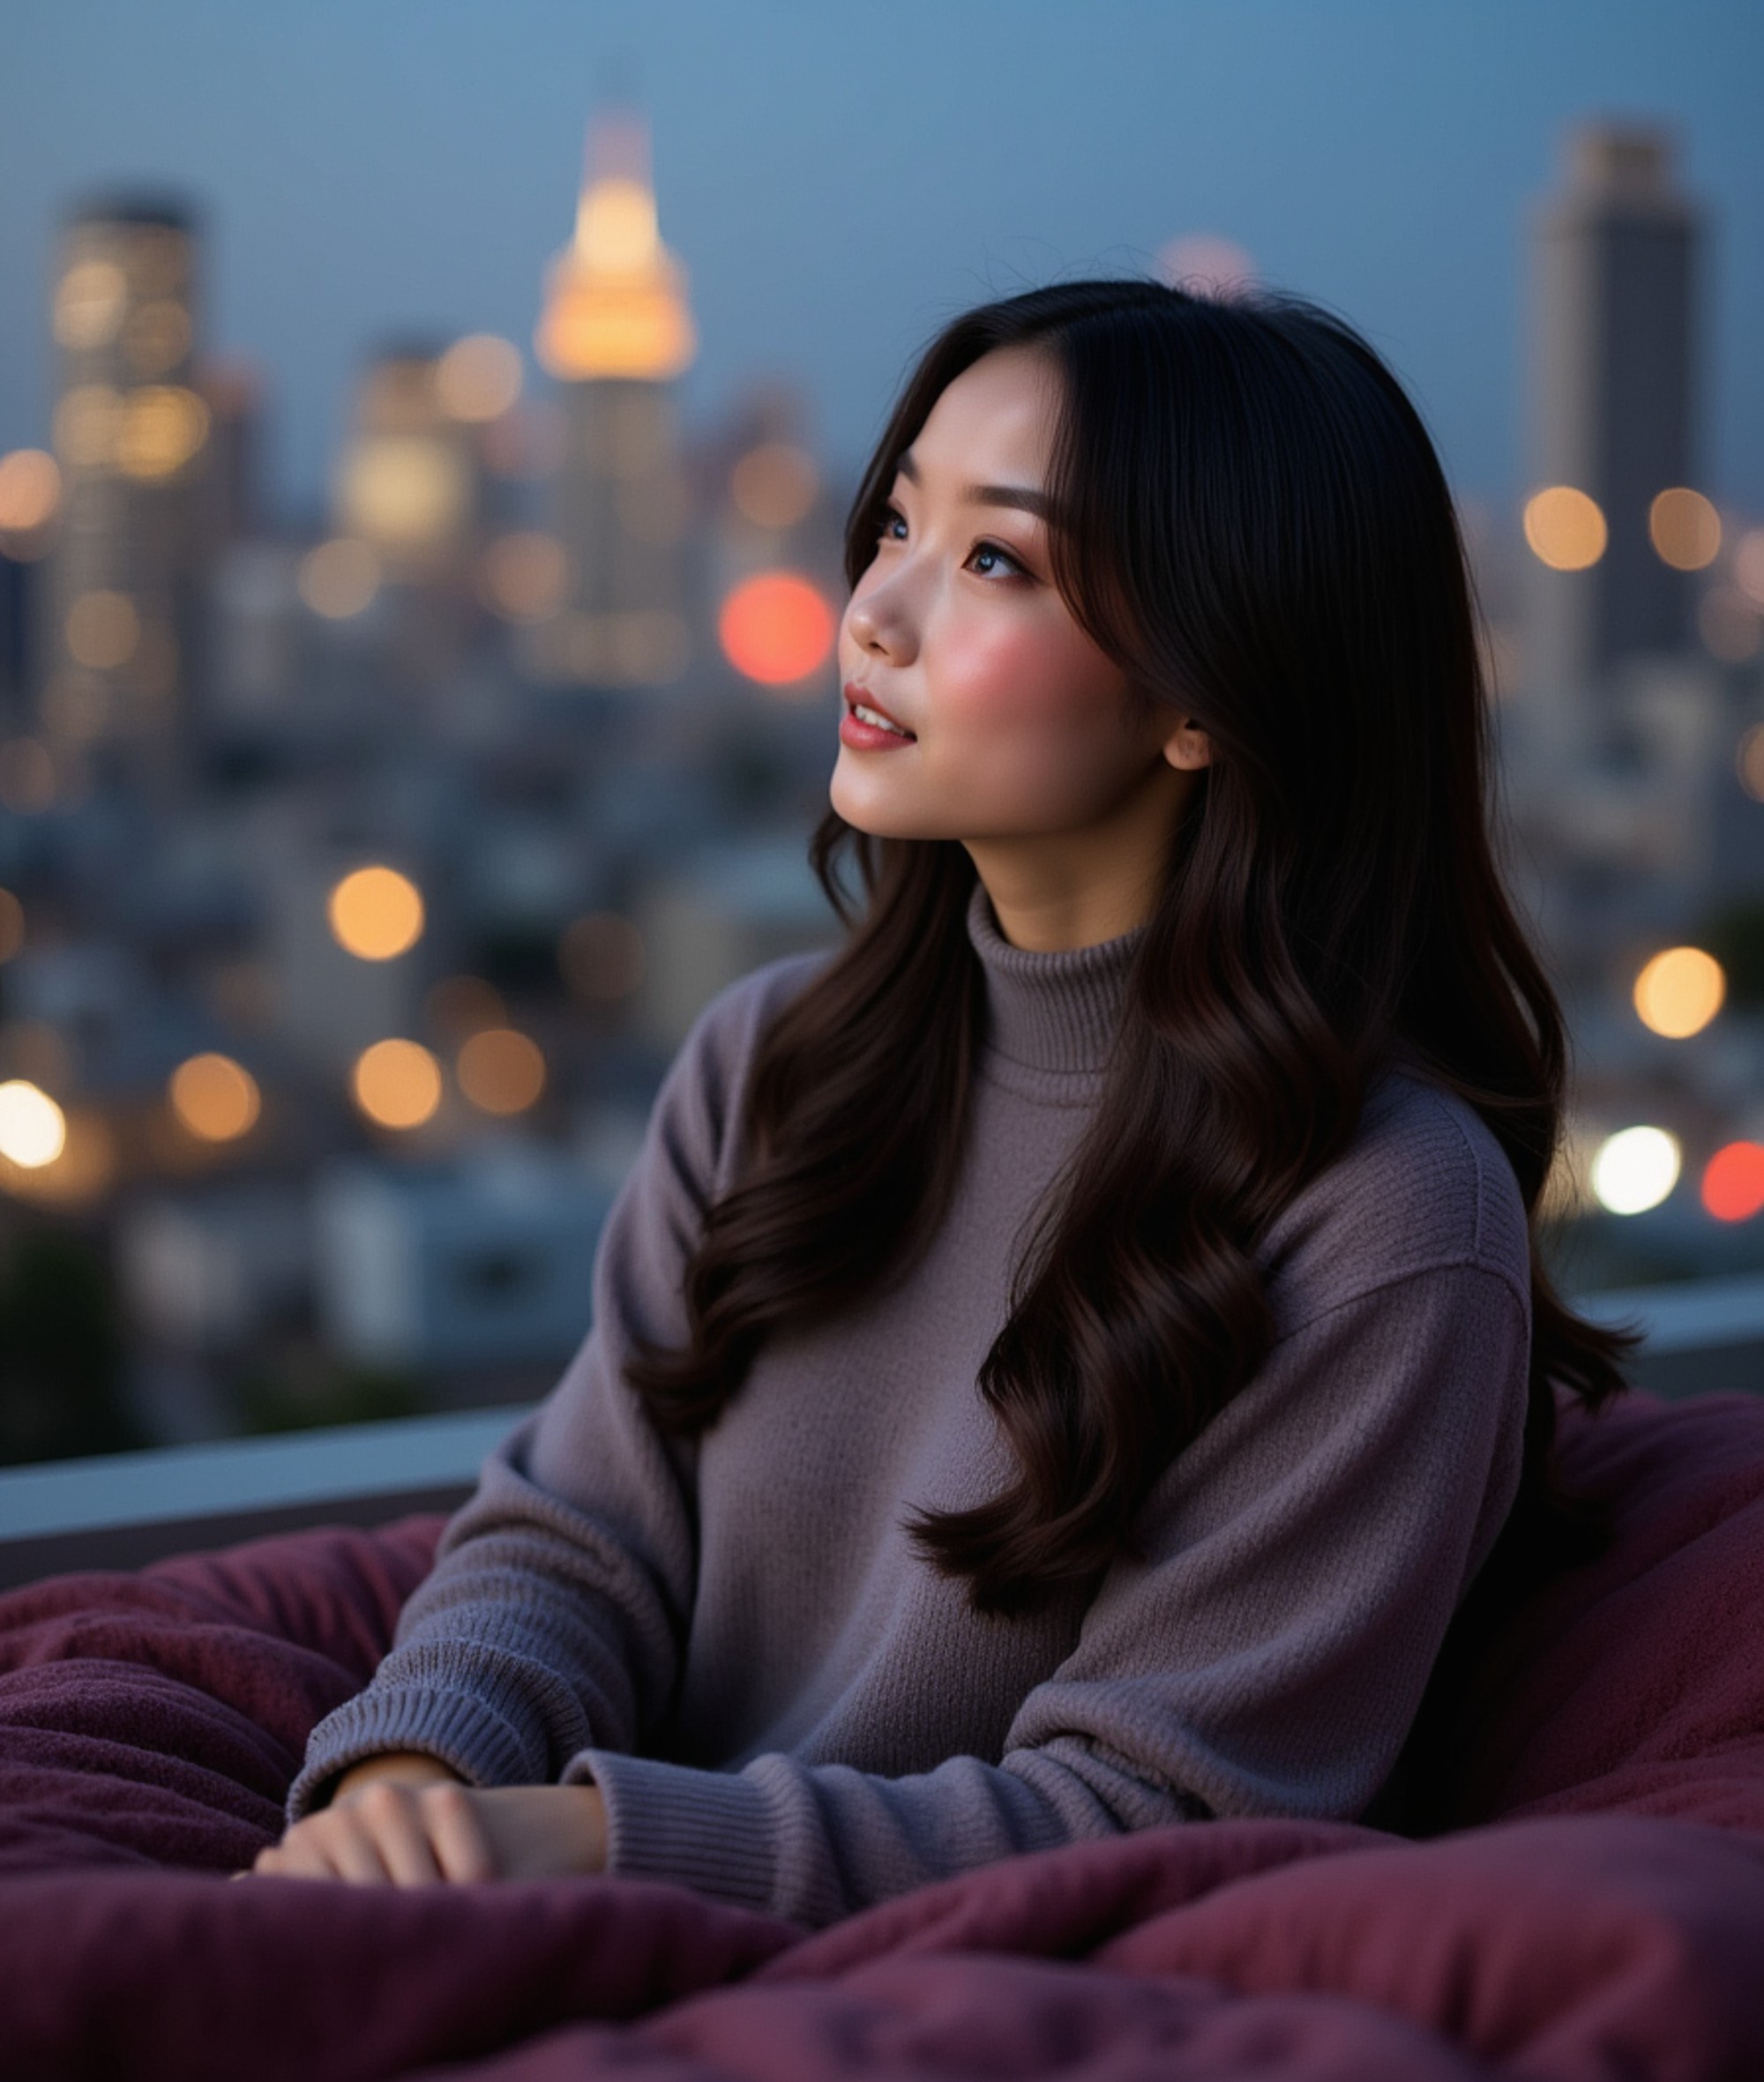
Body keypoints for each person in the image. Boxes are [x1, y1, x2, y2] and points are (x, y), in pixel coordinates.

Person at [250, 280, 1630, 1926]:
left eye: (995, 559)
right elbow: (580, 1536)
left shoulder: (1391, 1215)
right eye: (895, 520)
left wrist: (601, 1844)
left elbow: (1157, 1809)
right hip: (579, 1920)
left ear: (1212, 690)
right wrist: (421, 1782)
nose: (875, 613)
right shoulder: (776, 1059)